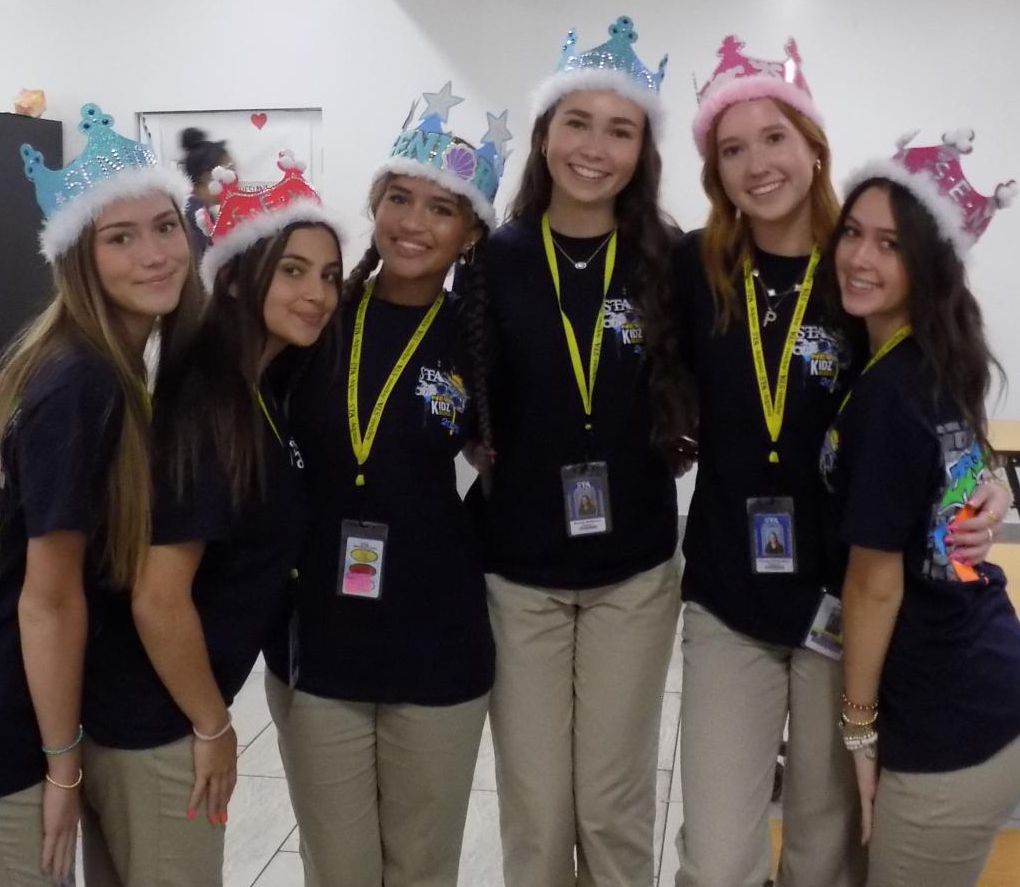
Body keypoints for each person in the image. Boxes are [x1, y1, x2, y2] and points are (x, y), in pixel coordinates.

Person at [671, 37, 1010, 887]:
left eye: (774, 138)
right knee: (717, 858)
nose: (757, 164)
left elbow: (940, 382)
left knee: (824, 849)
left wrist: (989, 481)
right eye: (732, 148)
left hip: (836, 609)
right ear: (714, 169)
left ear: (813, 144)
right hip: (726, 600)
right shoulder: (694, 268)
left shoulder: (857, 270)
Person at [466, 17, 695, 886]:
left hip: (632, 575)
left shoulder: (669, 262)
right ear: (544, 132)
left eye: (620, 128)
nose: (594, 148)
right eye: (577, 122)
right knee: (536, 810)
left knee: (611, 807)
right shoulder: (494, 257)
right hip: (517, 575)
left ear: (642, 149)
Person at [264, 83, 505, 887]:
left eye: (441, 209)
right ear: (375, 204)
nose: (413, 222)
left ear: (469, 231)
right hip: (319, 642)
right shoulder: (316, 320)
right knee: (338, 867)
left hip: (439, 642)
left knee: (422, 867)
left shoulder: (482, 340)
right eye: (399, 198)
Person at [80, 150, 341, 886]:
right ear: (236, 273)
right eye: (292, 270)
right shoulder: (207, 401)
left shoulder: (256, 386)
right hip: (152, 725)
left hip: (150, 715)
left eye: (328, 275)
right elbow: (159, 598)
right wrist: (213, 725)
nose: (317, 293)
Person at [0, 102, 200, 886]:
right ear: (81, 256)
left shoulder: (103, 361)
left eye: (165, 226)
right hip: (17, 726)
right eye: (121, 237)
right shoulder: (78, 380)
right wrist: (62, 769)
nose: (155, 255)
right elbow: (45, 598)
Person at [819, 130, 1020, 887]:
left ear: (927, 265)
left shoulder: (889, 394)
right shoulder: (937, 357)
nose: (861, 259)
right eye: (854, 234)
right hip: (983, 675)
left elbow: (876, 584)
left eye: (891, 246)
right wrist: (996, 481)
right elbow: (957, 465)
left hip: (949, 720)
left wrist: (859, 729)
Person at [179, 127, 233, 257]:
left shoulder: (202, 213)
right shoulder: (195, 218)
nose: (234, 177)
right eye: (230, 171)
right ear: (205, 176)